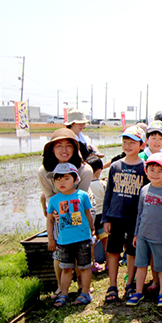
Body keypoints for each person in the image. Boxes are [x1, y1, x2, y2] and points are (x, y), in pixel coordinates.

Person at [37, 128, 93, 299]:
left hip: (82, 210)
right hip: (57, 212)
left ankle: (83, 285)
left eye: (68, 146)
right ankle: (61, 287)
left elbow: (80, 200)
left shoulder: (85, 171)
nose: (64, 150)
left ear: (75, 149)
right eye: (58, 146)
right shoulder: (44, 172)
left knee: (80, 247)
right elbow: (49, 196)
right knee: (60, 252)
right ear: (51, 150)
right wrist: (54, 215)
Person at [127, 153, 162, 307]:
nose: (155, 174)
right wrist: (136, 233)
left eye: (159, 171)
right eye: (152, 170)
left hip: (160, 237)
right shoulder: (144, 190)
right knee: (141, 264)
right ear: (146, 171)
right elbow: (140, 213)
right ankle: (138, 292)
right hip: (143, 235)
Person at [103, 126, 148, 302]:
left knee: (132, 251)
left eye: (132, 142)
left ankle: (130, 283)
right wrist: (106, 217)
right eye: (125, 142)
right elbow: (108, 193)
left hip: (135, 218)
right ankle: (112, 285)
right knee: (113, 251)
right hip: (115, 216)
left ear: (142, 145)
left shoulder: (144, 167)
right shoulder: (115, 166)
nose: (128, 146)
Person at [46, 163, 94, 307]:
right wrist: (51, 239)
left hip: (83, 238)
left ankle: (85, 293)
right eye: (58, 179)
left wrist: (91, 230)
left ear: (75, 180)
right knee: (66, 268)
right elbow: (49, 220)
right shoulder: (54, 200)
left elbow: (88, 214)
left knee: (85, 266)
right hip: (64, 240)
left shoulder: (82, 195)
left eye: (66, 178)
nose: (61, 182)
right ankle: (64, 294)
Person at [87, 156, 108, 272]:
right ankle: (109, 263)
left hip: (91, 217)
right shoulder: (103, 184)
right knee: (106, 242)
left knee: (92, 243)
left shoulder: (85, 186)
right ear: (99, 170)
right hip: (102, 216)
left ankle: (92, 264)